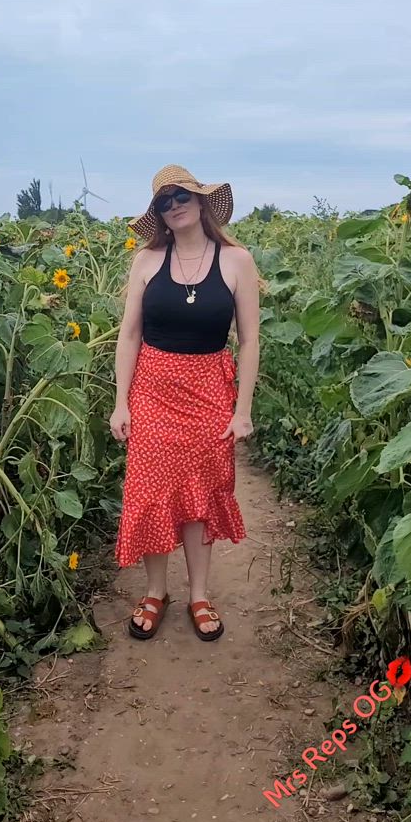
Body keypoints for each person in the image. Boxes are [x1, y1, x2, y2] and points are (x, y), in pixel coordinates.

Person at [109, 164, 260, 642]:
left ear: (200, 202)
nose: (173, 205)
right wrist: (121, 402)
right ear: (159, 213)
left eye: (180, 196)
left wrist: (243, 410)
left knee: (200, 493)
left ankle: (198, 593)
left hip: (210, 390)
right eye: (164, 201)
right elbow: (129, 335)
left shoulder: (237, 261)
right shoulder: (146, 262)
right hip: (152, 387)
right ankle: (156, 591)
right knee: (152, 492)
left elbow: (251, 341)